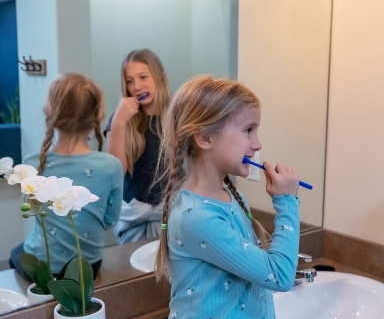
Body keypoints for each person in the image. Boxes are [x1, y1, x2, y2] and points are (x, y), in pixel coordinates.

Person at [155, 75, 301, 318]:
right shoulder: (196, 216)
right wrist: (287, 203)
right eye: (248, 130)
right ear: (205, 138)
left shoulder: (234, 197)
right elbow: (280, 276)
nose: (257, 144)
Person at [9, 73, 123, 280]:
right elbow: (109, 222)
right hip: (88, 267)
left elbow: (35, 212)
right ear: (98, 116)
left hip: (43, 267)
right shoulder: (111, 166)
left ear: (50, 113)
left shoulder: (32, 164)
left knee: (15, 254)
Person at [104, 49, 171, 244]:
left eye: (143, 77)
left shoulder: (176, 117)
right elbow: (115, 172)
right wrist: (118, 123)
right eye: (130, 81)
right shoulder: (120, 122)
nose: (137, 87)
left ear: (161, 78)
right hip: (133, 219)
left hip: (171, 215)